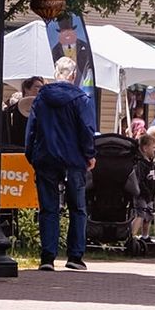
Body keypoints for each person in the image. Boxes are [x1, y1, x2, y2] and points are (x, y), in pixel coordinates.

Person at [24, 60, 96, 270]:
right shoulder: (81, 99)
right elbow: (86, 129)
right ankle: (74, 256)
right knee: (78, 207)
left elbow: (32, 129)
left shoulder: (41, 99)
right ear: (73, 76)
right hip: (74, 160)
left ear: (56, 74)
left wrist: (31, 155)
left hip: (45, 158)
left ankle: (47, 257)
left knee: (48, 208)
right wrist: (90, 154)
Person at [128, 131, 155, 248]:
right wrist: (144, 191)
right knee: (140, 215)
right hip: (141, 194)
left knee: (148, 216)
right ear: (145, 148)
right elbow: (139, 180)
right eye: (153, 147)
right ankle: (130, 235)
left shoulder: (152, 163)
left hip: (150, 194)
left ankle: (145, 236)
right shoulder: (140, 164)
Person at [2, 75, 44, 148]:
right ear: (27, 89)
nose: (41, 89)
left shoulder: (43, 108)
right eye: (37, 87)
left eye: (42, 87)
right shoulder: (13, 109)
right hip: (19, 149)